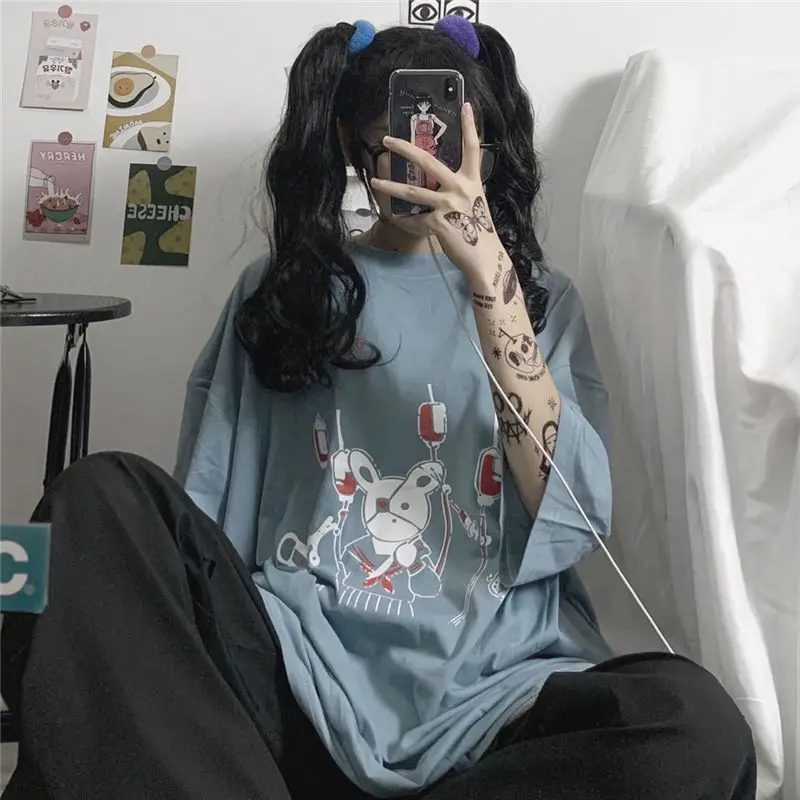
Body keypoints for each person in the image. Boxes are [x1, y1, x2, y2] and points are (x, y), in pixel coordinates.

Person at [1, 17, 756, 800]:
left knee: (694, 725)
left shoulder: (539, 301)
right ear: (350, 143)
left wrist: (488, 275)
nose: (426, 166)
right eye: (401, 145)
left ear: (484, 145)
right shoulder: (283, 292)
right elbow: (204, 521)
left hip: (494, 705)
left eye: (448, 144)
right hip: (290, 685)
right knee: (94, 500)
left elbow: (573, 512)